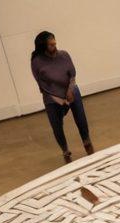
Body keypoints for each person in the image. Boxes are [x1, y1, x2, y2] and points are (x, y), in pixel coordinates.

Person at [30, 32, 94, 164]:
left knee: (81, 118)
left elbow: (72, 75)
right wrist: (58, 98)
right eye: (51, 44)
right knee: (56, 125)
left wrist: (69, 91)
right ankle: (65, 149)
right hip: (52, 97)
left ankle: (86, 140)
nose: (54, 45)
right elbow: (41, 84)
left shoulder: (64, 55)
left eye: (55, 42)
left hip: (70, 90)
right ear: (43, 46)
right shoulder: (36, 62)